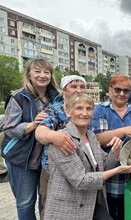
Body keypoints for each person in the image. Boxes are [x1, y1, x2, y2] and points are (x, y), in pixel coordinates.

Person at [44, 93, 131, 220]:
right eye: (79, 108)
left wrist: (116, 151)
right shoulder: (63, 140)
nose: (85, 113)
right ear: (68, 112)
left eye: (89, 109)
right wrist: (118, 170)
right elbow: (81, 181)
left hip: (89, 204)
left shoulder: (91, 136)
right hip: (68, 208)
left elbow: (104, 165)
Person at [1, 58, 61, 220]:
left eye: (46, 72)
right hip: (22, 159)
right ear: (29, 74)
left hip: (47, 160)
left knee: (46, 200)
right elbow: (8, 128)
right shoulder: (19, 97)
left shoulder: (56, 98)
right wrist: (33, 124)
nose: (42, 75)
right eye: (37, 71)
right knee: (26, 203)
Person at [88, 74, 131, 220]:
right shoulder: (101, 110)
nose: (121, 94)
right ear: (110, 90)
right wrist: (123, 131)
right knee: (110, 211)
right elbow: (97, 139)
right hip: (110, 172)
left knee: (128, 210)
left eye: (126, 91)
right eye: (117, 89)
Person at [35, 75, 86, 219]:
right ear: (64, 90)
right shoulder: (55, 110)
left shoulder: (86, 109)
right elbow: (40, 132)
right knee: (52, 212)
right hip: (54, 173)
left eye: (82, 87)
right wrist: (54, 136)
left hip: (78, 173)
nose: (78, 90)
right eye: (73, 86)